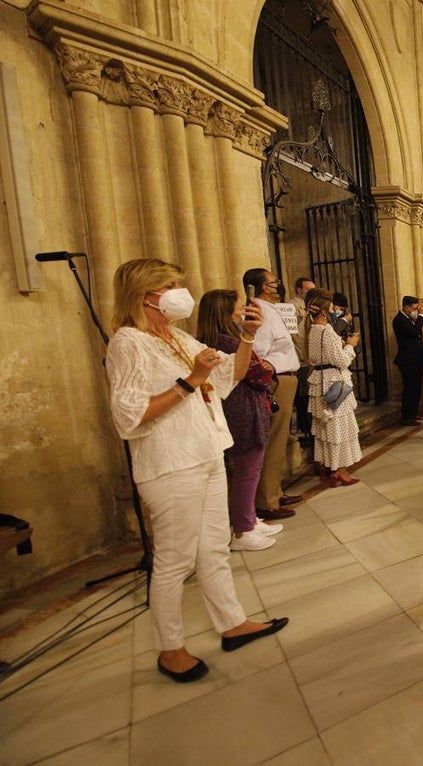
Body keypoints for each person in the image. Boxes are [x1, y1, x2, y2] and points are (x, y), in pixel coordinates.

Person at [106, 259, 288, 683]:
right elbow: (129, 416)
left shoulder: (177, 336)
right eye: (169, 285)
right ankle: (170, 649)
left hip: (206, 453)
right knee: (174, 560)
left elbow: (230, 376)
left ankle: (232, 623)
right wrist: (190, 380)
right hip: (170, 464)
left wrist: (246, 336)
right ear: (145, 294)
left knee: (213, 547)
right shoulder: (129, 343)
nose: (178, 292)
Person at [196, 289, 282, 551]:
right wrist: (265, 368)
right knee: (247, 469)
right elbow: (257, 374)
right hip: (243, 408)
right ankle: (243, 530)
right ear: (225, 312)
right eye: (239, 306)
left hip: (240, 406)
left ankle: (249, 520)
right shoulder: (228, 341)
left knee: (248, 469)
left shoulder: (220, 339)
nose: (244, 309)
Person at [242, 268, 302, 520]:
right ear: (265, 287)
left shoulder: (269, 310)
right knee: (273, 441)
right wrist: (273, 373)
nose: (279, 286)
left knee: (279, 440)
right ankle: (266, 501)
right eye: (275, 282)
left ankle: (275, 491)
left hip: (284, 378)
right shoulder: (259, 312)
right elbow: (259, 353)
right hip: (276, 380)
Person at [305, 288, 362, 487]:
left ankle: (327, 466)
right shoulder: (326, 330)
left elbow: (315, 357)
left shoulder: (312, 329)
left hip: (321, 379)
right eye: (330, 304)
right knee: (338, 428)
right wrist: (350, 345)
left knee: (326, 429)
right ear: (324, 307)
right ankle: (339, 470)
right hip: (334, 382)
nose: (333, 308)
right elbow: (340, 360)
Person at [393, 295, 423, 426]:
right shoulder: (399, 320)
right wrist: (422, 317)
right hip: (407, 360)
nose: (416, 311)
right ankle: (406, 416)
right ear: (407, 307)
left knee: (416, 387)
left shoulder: (409, 319)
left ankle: (413, 413)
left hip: (416, 359)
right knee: (409, 388)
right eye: (415, 308)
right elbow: (414, 333)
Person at [291, 276, 316, 447]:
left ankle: (308, 426)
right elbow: (296, 335)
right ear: (299, 290)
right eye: (309, 290)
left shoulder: (308, 307)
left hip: (308, 356)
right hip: (300, 356)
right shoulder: (292, 306)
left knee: (307, 394)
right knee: (302, 396)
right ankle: (305, 427)